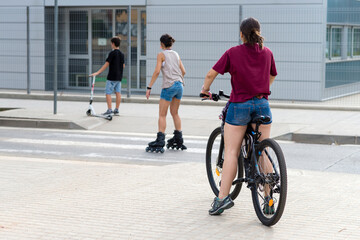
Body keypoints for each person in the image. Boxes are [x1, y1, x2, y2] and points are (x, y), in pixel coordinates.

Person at [201, 17, 277, 215]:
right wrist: (262, 88)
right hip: (262, 105)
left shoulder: (233, 52)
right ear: (258, 32)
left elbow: (210, 74)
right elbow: (273, 75)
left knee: (232, 152)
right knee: (263, 151)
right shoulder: (267, 53)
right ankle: (269, 200)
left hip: (239, 106)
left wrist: (205, 90)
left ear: (241, 34)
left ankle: (222, 199)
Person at [145, 34, 187, 153]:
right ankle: (179, 139)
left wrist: (149, 87)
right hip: (179, 85)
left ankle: (160, 140)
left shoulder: (161, 54)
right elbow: (183, 71)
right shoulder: (176, 54)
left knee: (162, 114)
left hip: (169, 86)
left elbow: (157, 71)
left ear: (162, 44)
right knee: (175, 113)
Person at [90, 36, 125, 115]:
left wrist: (98, 72)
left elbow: (106, 64)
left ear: (113, 44)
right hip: (119, 77)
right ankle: (116, 110)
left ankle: (109, 109)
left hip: (111, 77)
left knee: (108, 93)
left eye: (111, 43)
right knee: (118, 92)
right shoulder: (122, 54)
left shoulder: (112, 53)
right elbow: (123, 66)